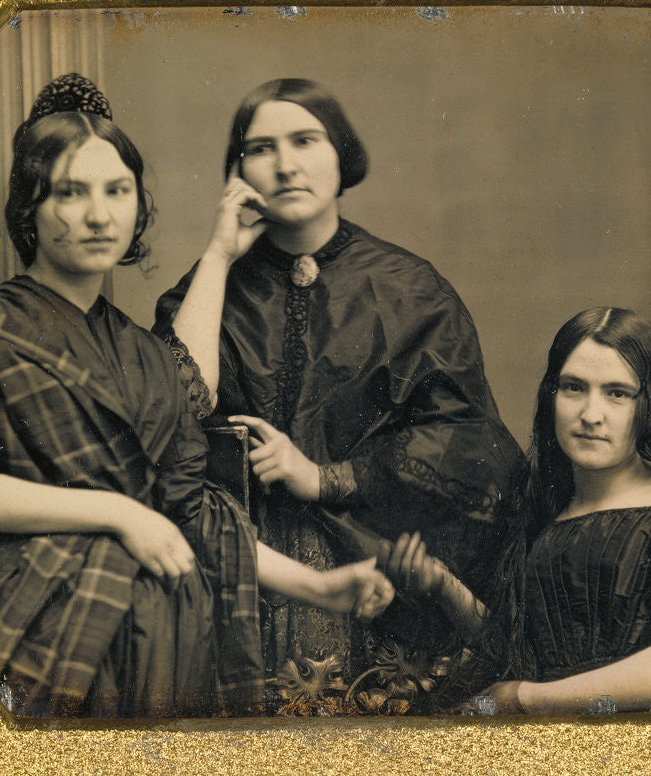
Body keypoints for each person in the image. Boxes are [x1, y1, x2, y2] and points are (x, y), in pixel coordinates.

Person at [0, 73, 393, 719]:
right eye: (70, 192)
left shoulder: (135, 350)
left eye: (117, 191)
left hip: (155, 636)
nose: (98, 214)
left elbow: (193, 495)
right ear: (30, 207)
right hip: (31, 616)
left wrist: (321, 587)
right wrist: (121, 513)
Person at [153, 78, 524, 697]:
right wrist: (218, 257)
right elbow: (170, 409)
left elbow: (468, 442)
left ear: (341, 155)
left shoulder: (409, 289)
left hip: (372, 562)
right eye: (261, 148)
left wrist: (325, 477)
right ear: (238, 172)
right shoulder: (208, 287)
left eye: (305, 140)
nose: (286, 163)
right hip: (236, 562)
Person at [380, 307, 651, 713]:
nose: (591, 415)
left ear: (648, 406)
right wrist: (442, 585)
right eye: (574, 387)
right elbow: (516, 651)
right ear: (551, 396)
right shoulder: (548, 513)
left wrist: (523, 699)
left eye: (617, 393)